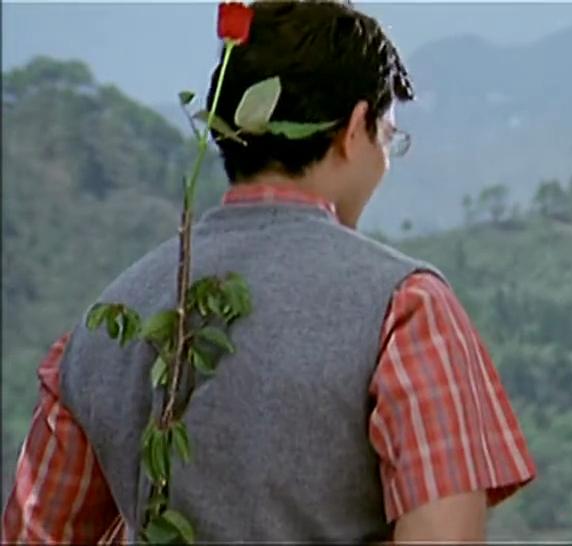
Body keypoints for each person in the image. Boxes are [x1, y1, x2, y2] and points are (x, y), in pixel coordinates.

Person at [2, 1, 535, 542]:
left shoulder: (101, 331)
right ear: (355, 129)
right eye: (389, 137)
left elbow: (34, 531)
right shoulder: (406, 309)